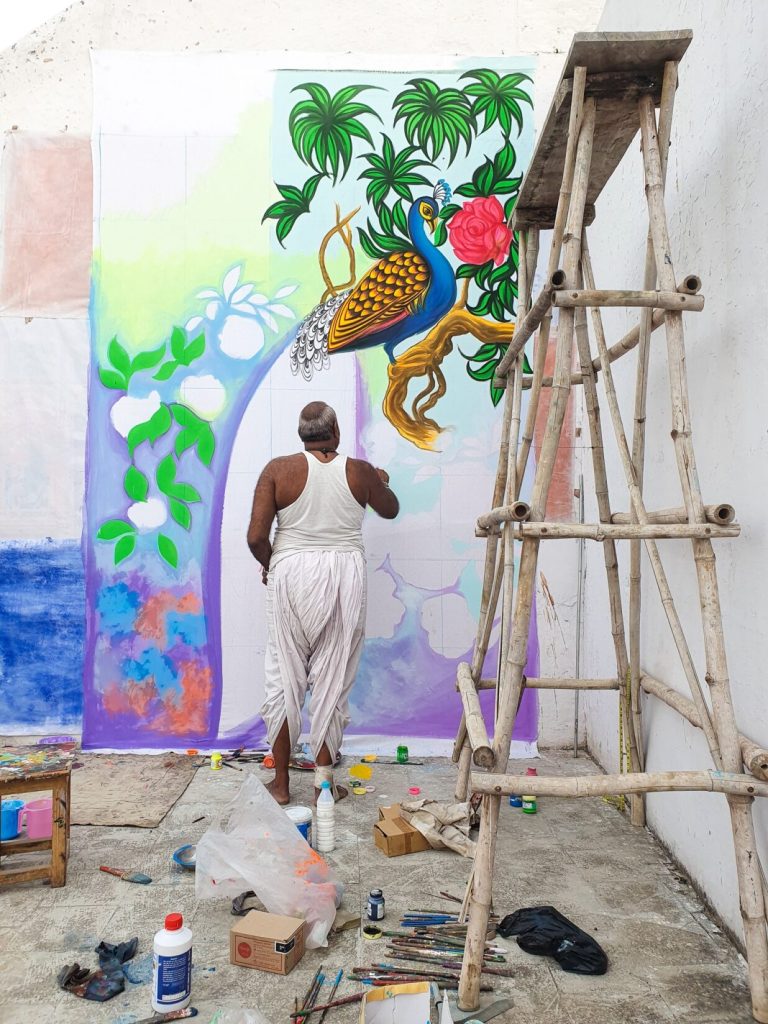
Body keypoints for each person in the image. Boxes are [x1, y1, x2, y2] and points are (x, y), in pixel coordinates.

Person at [247, 400, 399, 804]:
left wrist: (272, 565)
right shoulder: (359, 471)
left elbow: (256, 537)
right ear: (336, 432)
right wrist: (380, 482)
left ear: (302, 434)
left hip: (290, 571)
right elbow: (390, 509)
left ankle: (281, 784)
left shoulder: (278, 470)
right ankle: (323, 784)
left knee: (283, 676)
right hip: (344, 574)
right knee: (333, 675)